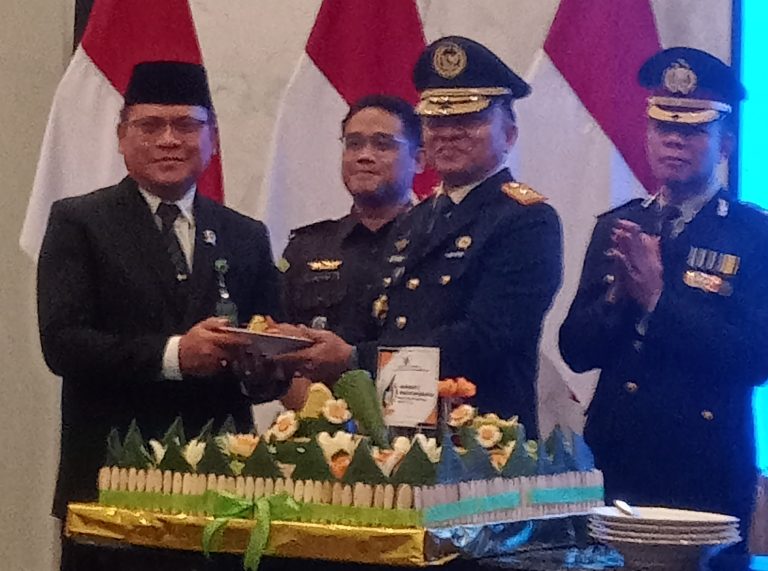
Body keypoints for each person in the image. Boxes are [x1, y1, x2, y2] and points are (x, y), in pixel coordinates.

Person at [37, 61, 284, 570]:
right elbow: (63, 344)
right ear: (121, 137)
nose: (169, 140)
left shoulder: (245, 234)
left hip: (222, 487)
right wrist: (174, 355)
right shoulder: (79, 221)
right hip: (112, 483)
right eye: (150, 126)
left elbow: (269, 350)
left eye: (186, 125)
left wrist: (263, 368)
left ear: (212, 138)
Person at [559, 47, 768, 563]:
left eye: (693, 131)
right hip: (617, 456)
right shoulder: (619, 225)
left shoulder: (761, 236)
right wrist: (619, 297)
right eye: (663, 127)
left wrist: (658, 299)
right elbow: (575, 349)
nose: (674, 140)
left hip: (703, 463)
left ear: (725, 143)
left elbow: (754, 359)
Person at [280, 36, 563, 436]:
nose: (448, 134)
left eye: (468, 121)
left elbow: (481, 341)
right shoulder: (416, 218)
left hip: (480, 443)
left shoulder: (526, 220)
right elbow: (385, 323)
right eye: (436, 121)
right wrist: (306, 344)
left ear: (510, 134)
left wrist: (354, 358)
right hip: (400, 435)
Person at [278, 96, 423, 407]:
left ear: (420, 159)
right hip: (318, 422)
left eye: (382, 145)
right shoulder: (307, 246)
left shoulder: (435, 242)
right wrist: (322, 415)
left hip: (418, 420)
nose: (364, 156)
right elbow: (278, 346)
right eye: (353, 144)